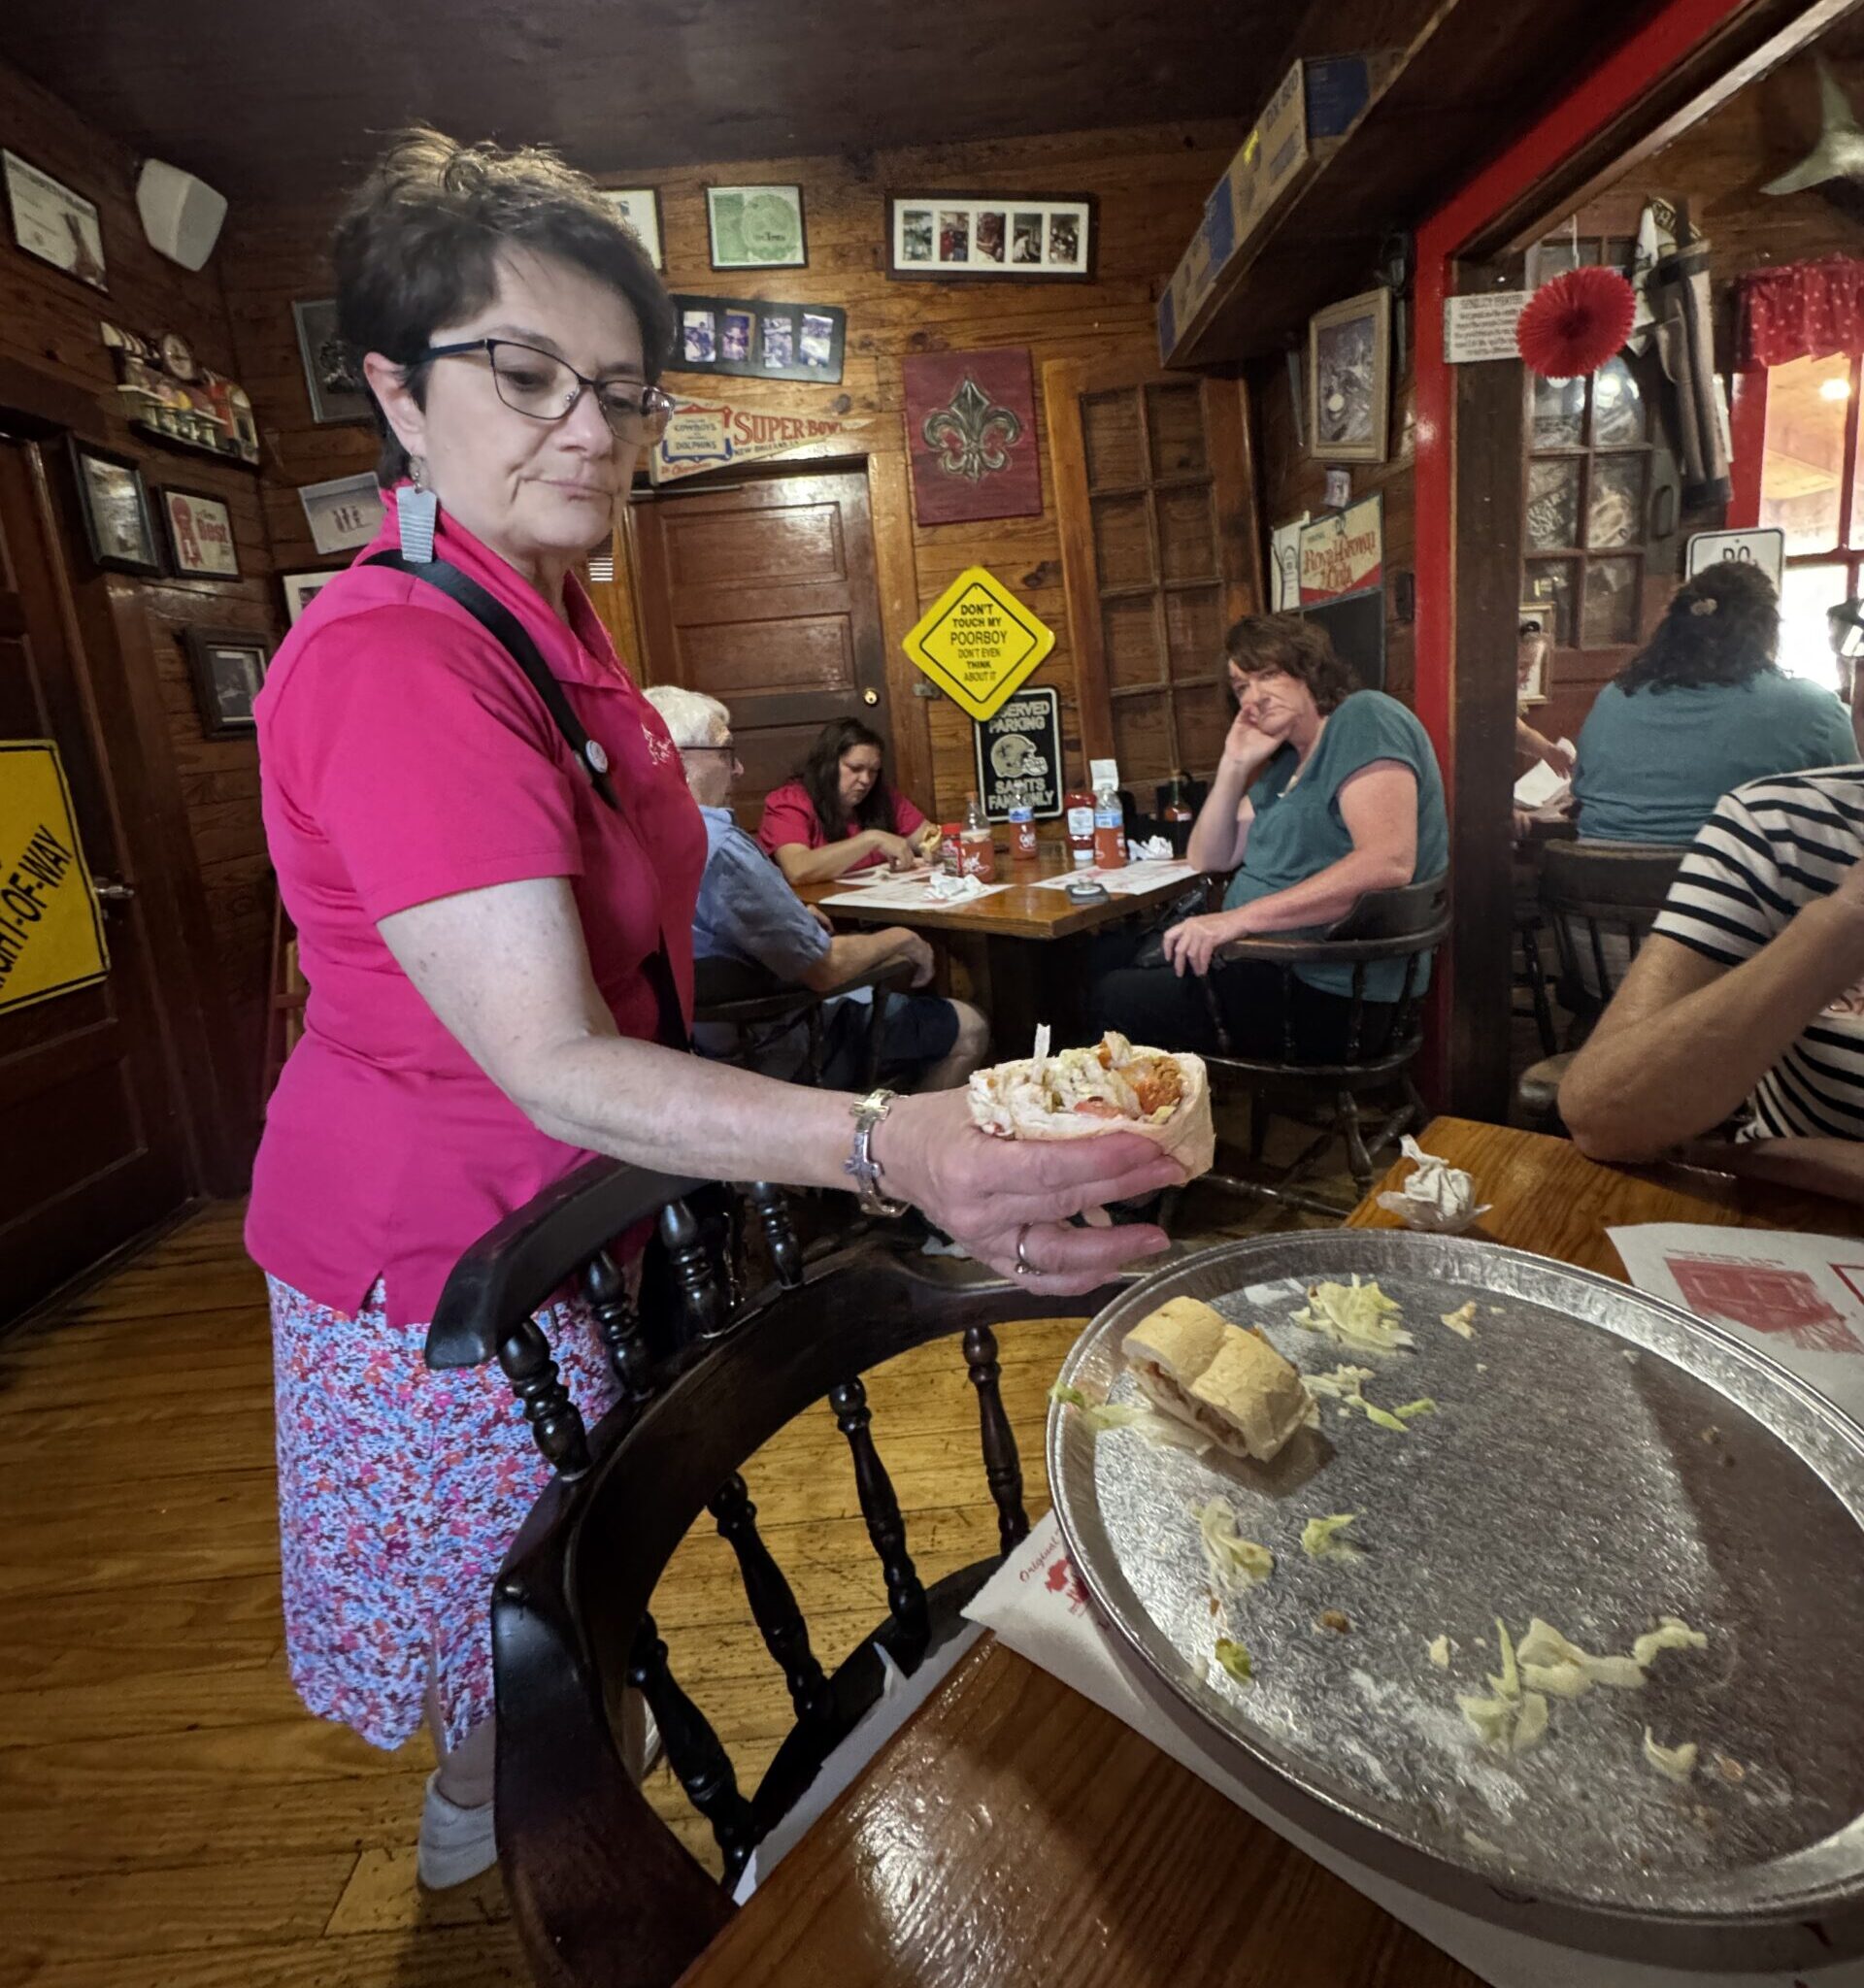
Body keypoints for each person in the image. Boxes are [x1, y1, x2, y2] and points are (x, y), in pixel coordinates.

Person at [245, 129, 1179, 1895]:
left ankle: (547, 1757)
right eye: (524, 374)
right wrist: (886, 1142)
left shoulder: (545, 607)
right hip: (443, 1242)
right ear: (393, 387)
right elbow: (549, 1052)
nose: (588, 426)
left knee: (584, 1538)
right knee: (511, 1620)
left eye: (618, 385)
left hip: (571, 1186)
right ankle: (502, 1819)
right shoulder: (400, 657)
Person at [1089, 614, 1448, 1060]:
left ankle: (1140, 1122)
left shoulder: (1364, 717)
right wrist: (1234, 765)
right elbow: (1208, 855)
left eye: (1268, 675)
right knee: (1098, 957)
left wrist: (1235, 921)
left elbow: (1388, 863)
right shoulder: (1286, 764)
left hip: (1328, 990)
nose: (1253, 698)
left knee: (1113, 995)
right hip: (1270, 966)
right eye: (1242, 687)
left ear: (1309, 671)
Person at [647, 685, 989, 1088]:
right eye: (726, 752)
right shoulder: (720, 841)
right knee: (972, 1025)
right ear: (676, 756)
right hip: (777, 1045)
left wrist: (789, 914)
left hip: (700, 1043)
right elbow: (826, 968)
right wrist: (902, 938)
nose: (738, 769)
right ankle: (894, 1145)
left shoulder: (641, 831)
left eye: (873, 771)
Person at [1560, 764, 1864, 1199]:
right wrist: (1846, 919)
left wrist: (1775, 1159)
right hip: (1677, 1005)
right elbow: (1606, 1115)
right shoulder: (1780, 818)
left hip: (1583, 966)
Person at [1570, 563, 1854, 845]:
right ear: (1767, 631)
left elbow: (1579, 791)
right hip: (1736, 884)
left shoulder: (1615, 697)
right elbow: (1854, 806)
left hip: (1597, 882)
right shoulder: (1812, 710)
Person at [758, 715, 942, 882]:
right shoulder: (790, 802)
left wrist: (933, 849)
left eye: (873, 771)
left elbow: (930, 838)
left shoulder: (882, 796)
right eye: (855, 768)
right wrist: (871, 839)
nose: (866, 780)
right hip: (821, 913)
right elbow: (797, 869)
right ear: (827, 766)